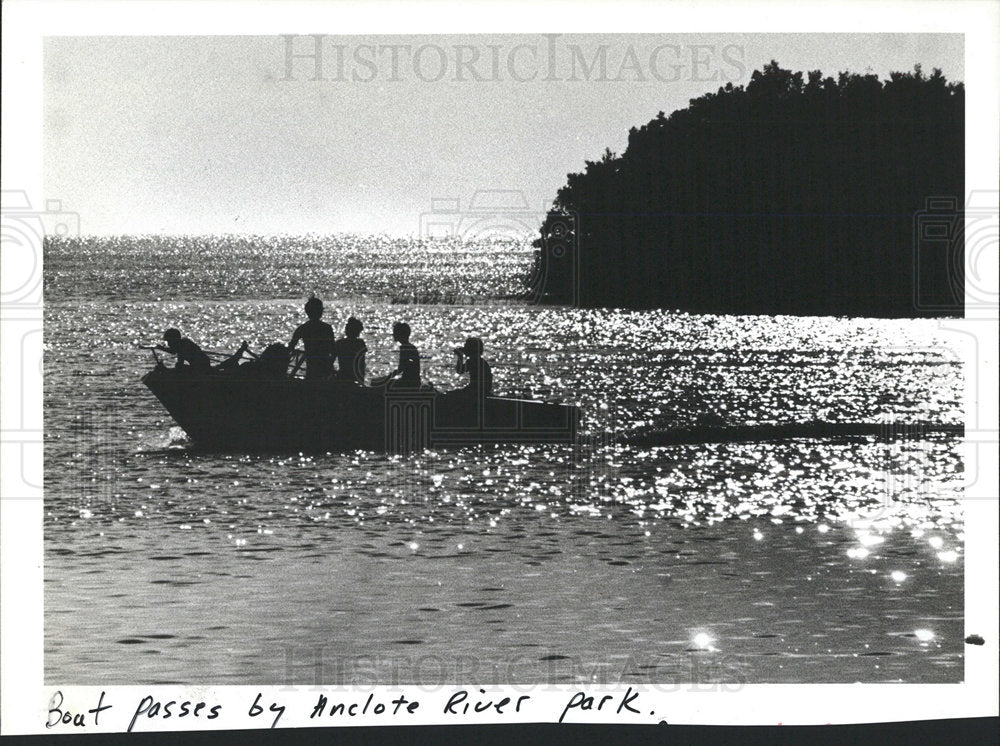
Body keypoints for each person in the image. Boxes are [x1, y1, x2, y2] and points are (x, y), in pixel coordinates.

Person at [156, 329, 248, 374]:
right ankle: (241, 350)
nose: (168, 344)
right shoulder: (182, 344)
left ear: (174, 340)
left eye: (169, 341)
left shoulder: (183, 346)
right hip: (201, 365)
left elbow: (179, 365)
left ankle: (241, 350)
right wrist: (161, 348)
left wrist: (166, 371)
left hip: (201, 367)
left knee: (180, 368)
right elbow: (173, 351)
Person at [288, 296, 335, 380]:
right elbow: (333, 349)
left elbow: (290, 347)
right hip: (325, 365)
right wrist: (330, 364)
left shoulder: (303, 328)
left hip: (312, 366)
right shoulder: (327, 328)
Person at [374, 321, 420, 388]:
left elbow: (401, 369)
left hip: (410, 383)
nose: (393, 334)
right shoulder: (410, 347)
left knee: (382, 385)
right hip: (413, 381)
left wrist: (385, 379)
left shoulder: (405, 348)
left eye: (395, 332)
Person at [334, 316, 367, 384]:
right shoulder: (360, 343)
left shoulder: (339, 343)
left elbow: (331, 359)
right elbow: (362, 365)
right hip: (355, 377)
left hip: (342, 376)